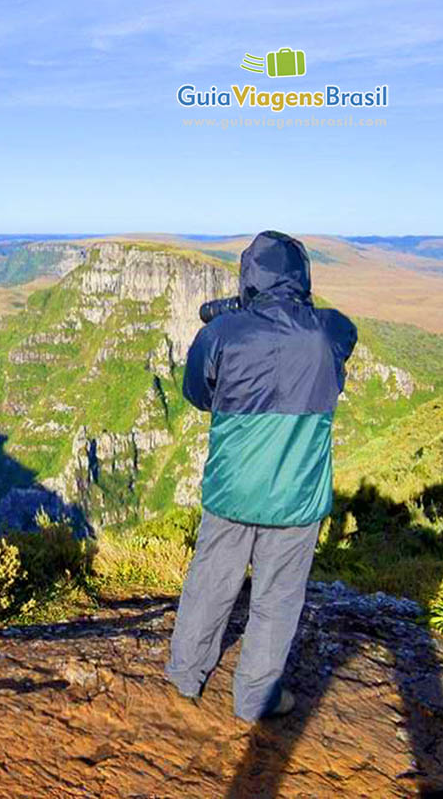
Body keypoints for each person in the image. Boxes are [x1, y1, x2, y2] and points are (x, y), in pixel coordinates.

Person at [165, 230, 357, 720]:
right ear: (302, 276)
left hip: (233, 487)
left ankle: (187, 677)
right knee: (277, 597)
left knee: (211, 582)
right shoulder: (325, 332)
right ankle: (255, 700)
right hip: (297, 495)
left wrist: (235, 314)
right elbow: (346, 331)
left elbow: (196, 393)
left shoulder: (220, 334)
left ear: (249, 276)